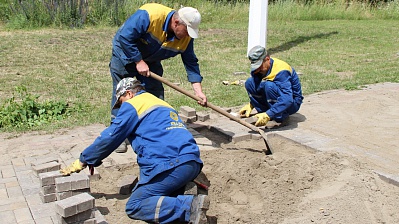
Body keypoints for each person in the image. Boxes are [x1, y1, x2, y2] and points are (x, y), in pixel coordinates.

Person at [60, 78, 210, 224]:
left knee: (136, 205)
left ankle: (190, 206)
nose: (121, 106)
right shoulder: (162, 104)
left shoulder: (133, 104)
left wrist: (84, 159)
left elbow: (110, 136)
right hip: (192, 163)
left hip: (171, 166)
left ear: (129, 94)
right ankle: (184, 190)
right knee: (158, 203)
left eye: (121, 101)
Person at [110, 3, 207, 152]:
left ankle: (153, 130)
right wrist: (138, 60)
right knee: (125, 93)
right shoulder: (149, 15)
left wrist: (198, 91)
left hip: (152, 58)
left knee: (154, 92)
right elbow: (125, 37)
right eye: (187, 30)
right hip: (125, 52)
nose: (188, 34)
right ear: (176, 23)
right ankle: (117, 135)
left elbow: (191, 62)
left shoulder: (186, 37)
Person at [239, 45, 303, 127]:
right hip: (276, 96)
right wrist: (251, 104)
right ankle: (263, 114)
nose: (257, 69)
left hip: (292, 103)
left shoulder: (281, 71)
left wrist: (268, 114)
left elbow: (287, 98)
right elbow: (258, 87)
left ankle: (280, 117)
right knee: (250, 82)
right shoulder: (258, 69)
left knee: (269, 86)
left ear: (267, 59)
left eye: (260, 66)